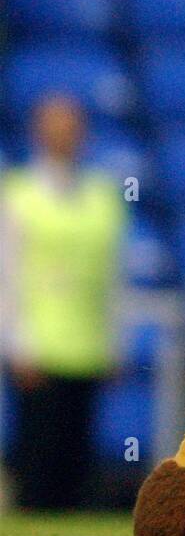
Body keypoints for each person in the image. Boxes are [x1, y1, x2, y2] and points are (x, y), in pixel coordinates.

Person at [0, 94, 126, 510]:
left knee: (78, 459)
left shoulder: (102, 195)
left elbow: (112, 275)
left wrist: (114, 341)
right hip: (39, 347)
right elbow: (8, 273)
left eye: (72, 125)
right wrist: (17, 342)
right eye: (56, 124)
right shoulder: (17, 193)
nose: (65, 134)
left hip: (87, 348)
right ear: (38, 131)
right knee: (36, 458)